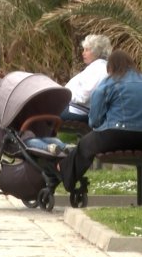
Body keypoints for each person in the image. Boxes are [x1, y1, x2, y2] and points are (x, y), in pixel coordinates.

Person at [60, 50, 142, 192]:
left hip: (114, 135)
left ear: (111, 66)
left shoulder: (109, 82)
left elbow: (95, 118)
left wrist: (97, 127)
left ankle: (66, 177)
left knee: (84, 145)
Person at [60, 34, 112, 124]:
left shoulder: (99, 69)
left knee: (39, 111)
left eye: (87, 50)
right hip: (75, 108)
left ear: (96, 52)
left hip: (78, 111)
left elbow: (84, 97)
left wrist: (64, 95)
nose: (83, 53)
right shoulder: (98, 67)